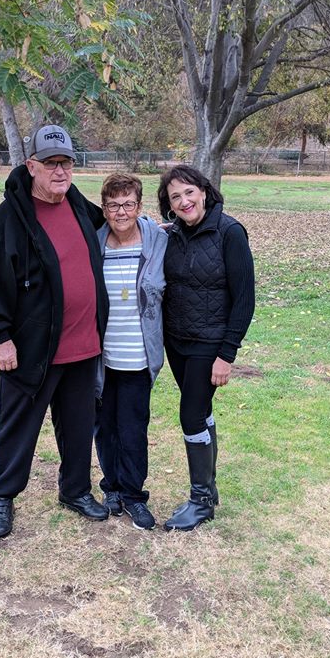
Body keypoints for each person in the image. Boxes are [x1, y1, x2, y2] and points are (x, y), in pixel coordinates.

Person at [0, 124, 110, 539]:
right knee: (16, 426)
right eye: (50, 163)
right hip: (30, 350)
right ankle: (3, 498)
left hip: (82, 345)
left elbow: (116, 227)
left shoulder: (78, 206)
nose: (60, 171)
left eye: (66, 162)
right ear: (31, 166)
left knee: (79, 425)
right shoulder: (7, 220)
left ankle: (75, 491)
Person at [157, 165, 255, 532]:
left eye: (189, 193)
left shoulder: (229, 232)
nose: (184, 202)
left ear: (204, 190)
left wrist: (226, 354)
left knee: (191, 414)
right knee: (201, 410)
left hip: (209, 343)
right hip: (177, 341)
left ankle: (200, 500)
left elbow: (245, 299)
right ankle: (209, 491)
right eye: (175, 198)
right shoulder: (173, 234)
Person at [94, 174, 167, 530]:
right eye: (113, 205)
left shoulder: (158, 242)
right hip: (102, 359)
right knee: (105, 429)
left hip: (139, 356)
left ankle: (134, 496)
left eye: (128, 204)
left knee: (133, 429)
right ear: (104, 208)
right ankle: (111, 489)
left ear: (139, 207)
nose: (121, 212)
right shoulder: (94, 245)